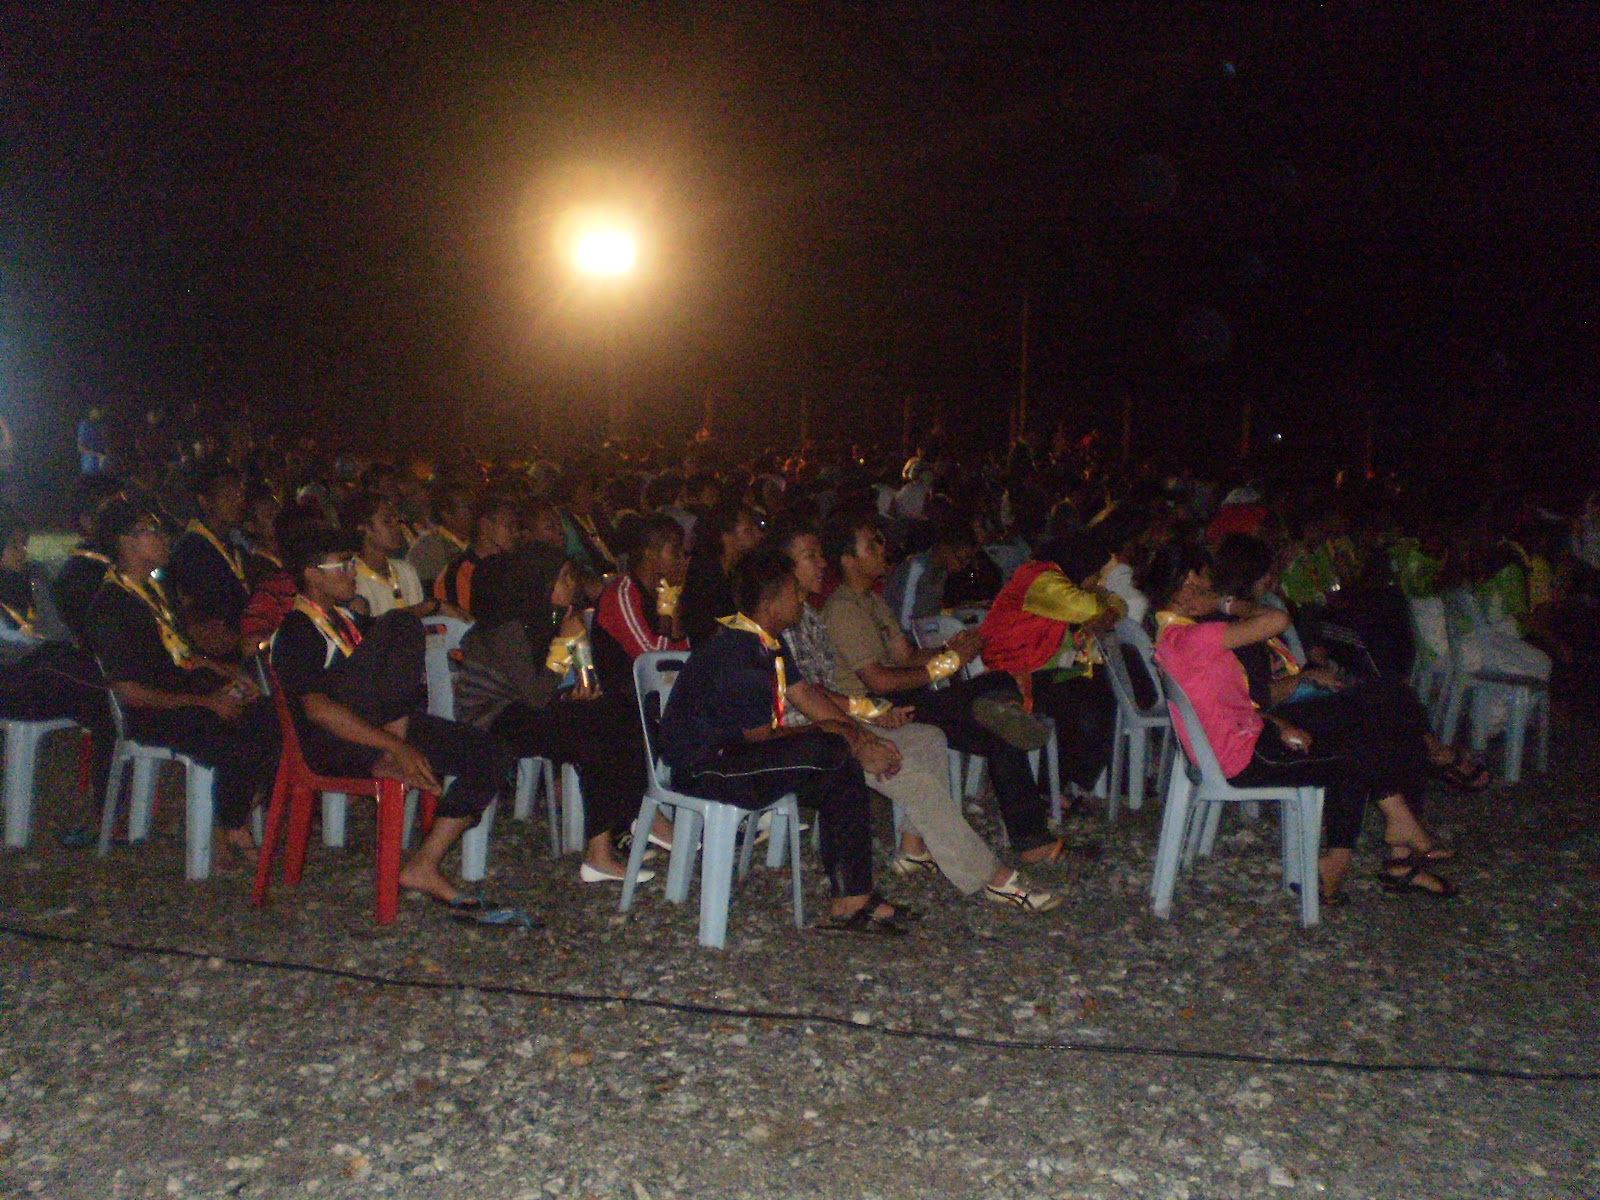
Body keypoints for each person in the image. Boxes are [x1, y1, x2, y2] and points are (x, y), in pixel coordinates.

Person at [1146, 541, 1456, 904]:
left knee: (1364, 734)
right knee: (1364, 746)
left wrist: (1274, 721)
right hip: (1244, 756)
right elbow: (1277, 621)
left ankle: (1354, 856)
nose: (1210, 586)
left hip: (1245, 738)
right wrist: (1225, 605)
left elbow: (1224, 701)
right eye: (1203, 579)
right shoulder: (1190, 637)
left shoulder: (1176, 635)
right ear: (1187, 584)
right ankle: (1397, 830)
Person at [777, 523, 1060, 912]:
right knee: (914, 768)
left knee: (929, 738)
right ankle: (990, 876)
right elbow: (811, 696)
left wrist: (946, 655)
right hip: (815, 729)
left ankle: (913, 848)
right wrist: (870, 721)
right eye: (811, 556)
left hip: (848, 712)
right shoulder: (810, 617)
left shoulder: (817, 613)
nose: (821, 563)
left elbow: (844, 682)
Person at [658, 547, 914, 934]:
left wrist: (862, 738)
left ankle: (852, 899)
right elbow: (760, 738)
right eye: (794, 591)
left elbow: (805, 695)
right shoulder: (738, 652)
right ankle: (851, 900)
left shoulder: (765, 641)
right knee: (832, 750)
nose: (801, 599)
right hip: (704, 768)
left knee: (838, 757)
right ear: (771, 602)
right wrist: (845, 738)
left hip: (735, 756)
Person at [269, 524, 511, 910]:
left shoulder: (345, 619)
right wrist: (394, 745)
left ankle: (424, 864)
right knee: (400, 624)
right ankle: (394, 743)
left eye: (353, 563)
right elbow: (316, 709)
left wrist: (430, 609)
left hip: (381, 728)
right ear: (312, 575)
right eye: (343, 565)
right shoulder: (298, 630)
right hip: (336, 742)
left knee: (489, 752)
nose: (353, 572)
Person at [455, 546, 675, 883]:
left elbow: (558, 686)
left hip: (527, 708)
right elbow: (535, 695)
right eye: (563, 578)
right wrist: (565, 644)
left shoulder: (549, 617)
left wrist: (578, 686)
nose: (571, 584)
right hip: (493, 718)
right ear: (539, 584)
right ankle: (603, 848)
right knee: (592, 727)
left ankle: (636, 817)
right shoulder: (507, 627)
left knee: (619, 711)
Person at [83, 501, 277, 862]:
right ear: (125, 541)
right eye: (151, 531)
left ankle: (232, 814)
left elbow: (183, 655)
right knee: (233, 728)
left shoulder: (156, 590)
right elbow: (129, 691)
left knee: (271, 713)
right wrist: (207, 702)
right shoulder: (111, 605)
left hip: (184, 690)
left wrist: (229, 675)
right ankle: (230, 824)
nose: (163, 538)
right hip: (151, 710)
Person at [977, 530, 1123, 797]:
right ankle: (1056, 785)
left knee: (1104, 684)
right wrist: (1108, 603)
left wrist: (1108, 604)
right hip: (1014, 672)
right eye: (1095, 574)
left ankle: (1070, 780)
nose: (1098, 581)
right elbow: (1090, 608)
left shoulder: (1052, 577)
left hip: (1042, 667)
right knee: (1089, 702)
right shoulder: (1042, 580)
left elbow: (1115, 604)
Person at [0, 509, 115, 845]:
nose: (22, 553)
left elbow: (58, 630)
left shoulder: (33, 579)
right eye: (14, 546)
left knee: (106, 708)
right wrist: (48, 647)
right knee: (77, 674)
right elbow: (9, 645)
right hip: (11, 679)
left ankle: (106, 816)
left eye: (24, 544)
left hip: (46, 675)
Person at [590, 515, 691, 703]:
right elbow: (654, 661)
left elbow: (680, 651)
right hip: (630, 702)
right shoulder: (621, 595)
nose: (683, 560)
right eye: (675, 552)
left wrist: (672, 596)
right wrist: (671, 599)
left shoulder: (661, 591)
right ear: (649, 555)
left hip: (660, 694)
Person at [166, 463, 251, 657]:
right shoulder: (191, 551)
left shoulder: (233, 541)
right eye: (227, 496)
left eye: (239, 494)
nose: (237, 501)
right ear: (205, 501)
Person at [342, 490, 460, 620]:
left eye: (397, 520)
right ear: (363, 528)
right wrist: (428, 607)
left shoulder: (405, 570)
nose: (397, 527)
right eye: (387, 521)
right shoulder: (352, 578)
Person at [679, 503, 764, 645]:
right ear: (726, 536)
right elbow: (703, 628)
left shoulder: (740, 570)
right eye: (748, 530)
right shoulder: (703, 575)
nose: (759, 534)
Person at [883, 517, 979, 631]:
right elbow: (905, 623)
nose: (962, 567)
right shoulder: (917, 568)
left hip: (922, 629)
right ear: (944, 548)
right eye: (960, 560)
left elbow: (932, 612)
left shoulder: (941, 572)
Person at [433, 495, 520, 617]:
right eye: (509, 526)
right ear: (485, 526)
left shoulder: (514, 563)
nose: (515, 533)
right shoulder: (459, 572)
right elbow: (463, 622)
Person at [406, 482, 478, 593]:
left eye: (475, 505)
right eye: (468, 507)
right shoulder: (426, 550)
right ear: (446, 514)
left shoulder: (480, 540)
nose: (475, 511)